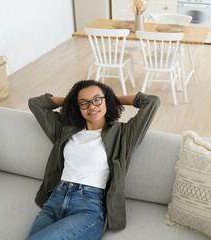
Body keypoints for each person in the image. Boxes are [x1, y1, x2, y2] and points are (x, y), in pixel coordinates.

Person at [26, 80, 160, 240]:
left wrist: (112, 99)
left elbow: (152, 102)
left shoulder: (123, 134)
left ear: (106, 100)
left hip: (88, 206)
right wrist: (70, 101)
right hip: (55, 200)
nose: (92, 107)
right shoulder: (64, 129)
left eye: (97, 99)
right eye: (84, 103)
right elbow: (35, 104)